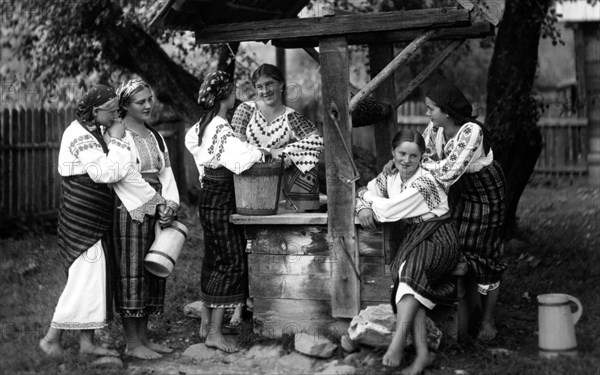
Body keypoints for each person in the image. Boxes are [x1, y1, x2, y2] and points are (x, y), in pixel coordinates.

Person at [385, 82, 507, 341]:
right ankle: (468, 311)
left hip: (485, 192)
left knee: (485, 253)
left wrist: (415, 161)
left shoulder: (471, 131)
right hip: (459, 191)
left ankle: (488, 320)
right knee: (460, 247)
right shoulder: (435, 130)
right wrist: (402, 160)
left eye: (431, 109)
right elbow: (423, 156)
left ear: (448, 111)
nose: (427, 114)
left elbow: (446, 173)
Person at [356, 129, 459, 374]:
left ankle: (398, 341)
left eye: (413, 156)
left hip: (439, 235)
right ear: (393, 153)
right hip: (414, 236)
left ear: (422, 157)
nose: (406, 160)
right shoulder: (390, 177)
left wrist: (364, 196)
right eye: (401, 153)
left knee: (410, 271)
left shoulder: (425, 181)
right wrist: (362, 206)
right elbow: (367, 191)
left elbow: (389, 210)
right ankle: (423, 354)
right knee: (408, 278)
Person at [40, 85, 130, 357]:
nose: (116, 117)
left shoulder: (92, 130)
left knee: (92, 278)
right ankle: (50, 339)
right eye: (112, 112)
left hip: (93, 215)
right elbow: (105, 173)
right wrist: (117, 141)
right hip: (81, 217)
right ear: (95, 111)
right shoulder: (79, 135)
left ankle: (87, 344)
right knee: (83, 278)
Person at [185, 71, 270, 353]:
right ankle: (215, 334)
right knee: (230, 261)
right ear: (226, 95)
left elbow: (192, 143)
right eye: (233, 91)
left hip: (209, 193)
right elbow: (239, 161)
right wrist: (259, 152)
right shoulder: (220, 126)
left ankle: (205, 324)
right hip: (221, 196)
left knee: (213, 258)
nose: (236, 95)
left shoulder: (203, 125)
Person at [109, 78, 180, 359]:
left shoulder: (155, 135)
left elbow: (166, 173)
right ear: (125, 105)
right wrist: (157, 202)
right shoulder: (118, 134)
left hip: (156, 208)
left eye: (150, 99)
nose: (149, 105)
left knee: (150, 270)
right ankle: (132, 342)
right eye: (141, 102)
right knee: (131, 273)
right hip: (131, 207)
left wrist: (170, 204)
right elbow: (127, 176)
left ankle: (145, 338)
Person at [231, 63, 324, 213]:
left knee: (310, 153)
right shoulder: (246, 109)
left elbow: (317, 140)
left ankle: (302, 206)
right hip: (247, 180)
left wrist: (288, 152)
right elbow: (236, 146)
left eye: (269, 84)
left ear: (281, 84)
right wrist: (269, 152)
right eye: (259, 87)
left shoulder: (290, 116)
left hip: (276, 180)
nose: (265, 91)